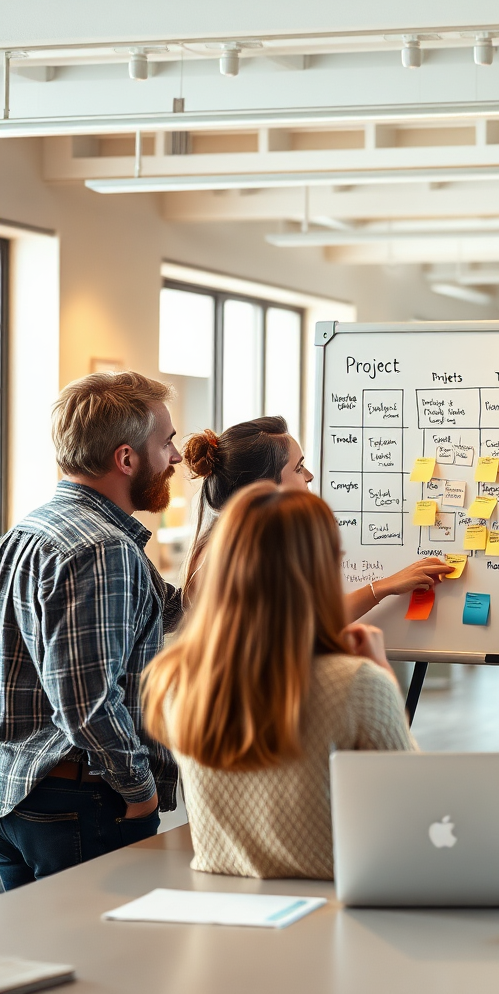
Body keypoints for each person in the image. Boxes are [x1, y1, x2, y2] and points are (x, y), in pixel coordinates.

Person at [143, 483, 413, 881]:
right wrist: (383, 675)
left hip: (221, 899)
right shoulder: (358, 683)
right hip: (335, 898)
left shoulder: (175, 678)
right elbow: (412, 803)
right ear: (317, 573)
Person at [0, 372, 183, 891]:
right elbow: (86, 703)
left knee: (34, 942)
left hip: (18, 794)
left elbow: (175, 612)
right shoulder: (104, 550)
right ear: (126, 459)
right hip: (81, 801)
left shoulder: (30, 529)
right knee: (105, 943)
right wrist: (140, 792)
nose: (176, 457)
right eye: (167, 443)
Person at [179, 417, 452, 613]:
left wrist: (385, 586)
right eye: (298, 468)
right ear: (262, 486)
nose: (309, 476)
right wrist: (385, 586)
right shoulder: (235, 560)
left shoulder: (240, 546)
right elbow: (307, 628)